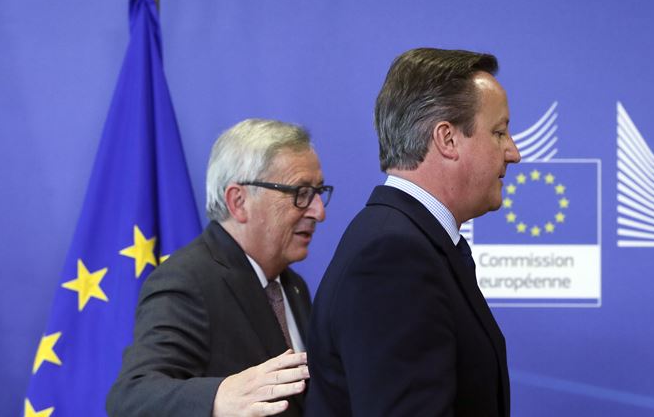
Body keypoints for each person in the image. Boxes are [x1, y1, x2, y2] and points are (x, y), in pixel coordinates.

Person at [306, 48, 520, 416]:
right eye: (499, 132)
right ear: (447, 139)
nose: (513, 152)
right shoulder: (393, 256)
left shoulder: (413, 240)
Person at [107, 119, 333, 417]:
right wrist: (218, 397)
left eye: (319, 192)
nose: (319, 211)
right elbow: (132, 396)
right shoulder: (188, 280)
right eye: (301, 193)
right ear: (238, 201)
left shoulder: (292, 285)